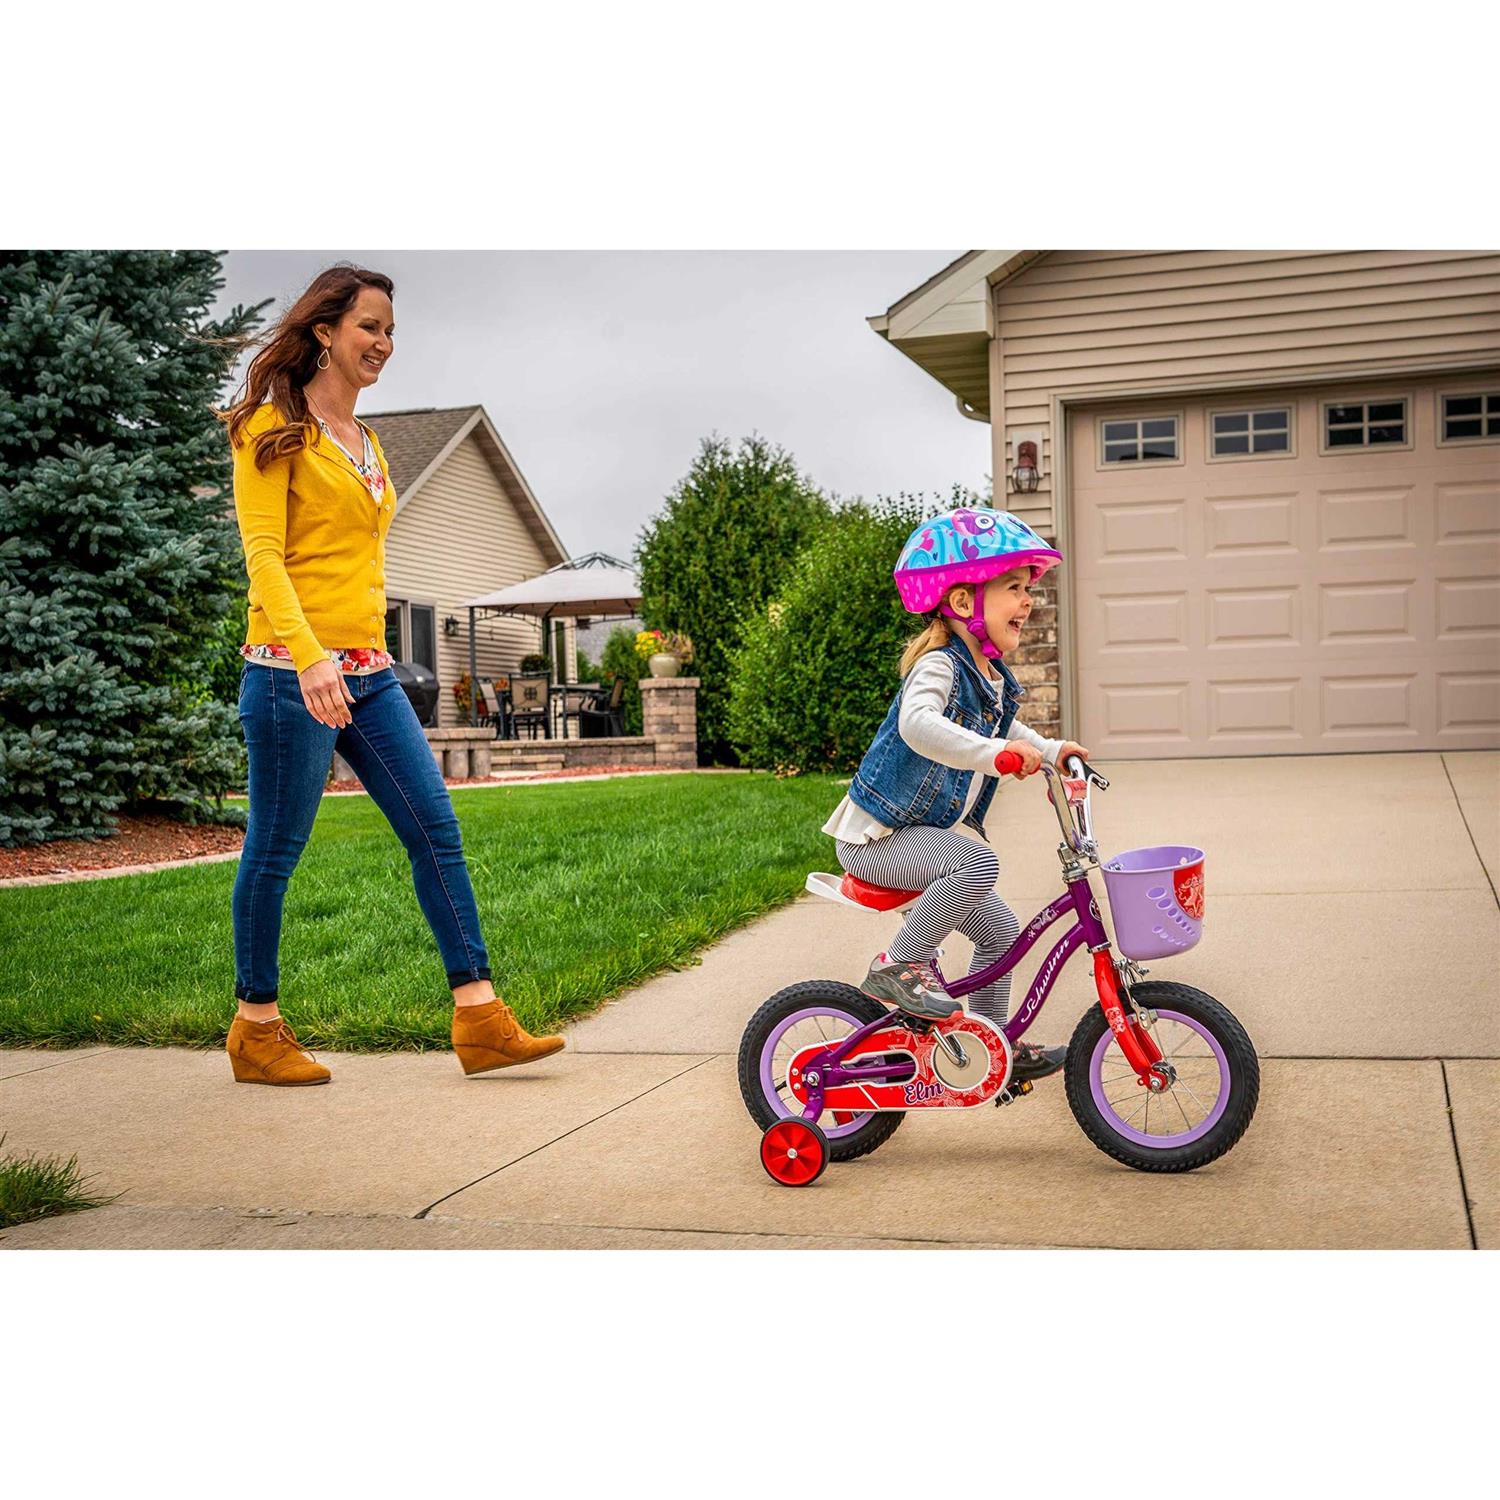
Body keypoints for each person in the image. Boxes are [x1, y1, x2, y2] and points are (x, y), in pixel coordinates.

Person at [218, 263, 564, 1086]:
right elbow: (264, 558)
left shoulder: (367, 442)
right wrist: (309, 658)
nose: (383, 343)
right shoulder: (271, 426)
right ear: (325, 331)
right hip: (289, 674)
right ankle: (255, 1028)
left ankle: (480, 1017)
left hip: (370, 674)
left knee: (434, 829)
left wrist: (347, 656)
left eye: (390, 331)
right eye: (369, 327)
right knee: (275, 848)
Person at [821, 506, 1090, 1084]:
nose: (1027, 602)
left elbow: (1007, 730)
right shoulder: (938, 665)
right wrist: (994, 755)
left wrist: (1051, 750)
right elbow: (918, 724)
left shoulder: (989, 678)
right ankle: (899, 965)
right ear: (965, 602)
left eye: (1028, 590)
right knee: (977, 862)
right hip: (876, 840)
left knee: (1002, 933)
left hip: (918, 838)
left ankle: (997, 1045)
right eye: (1013, 588)